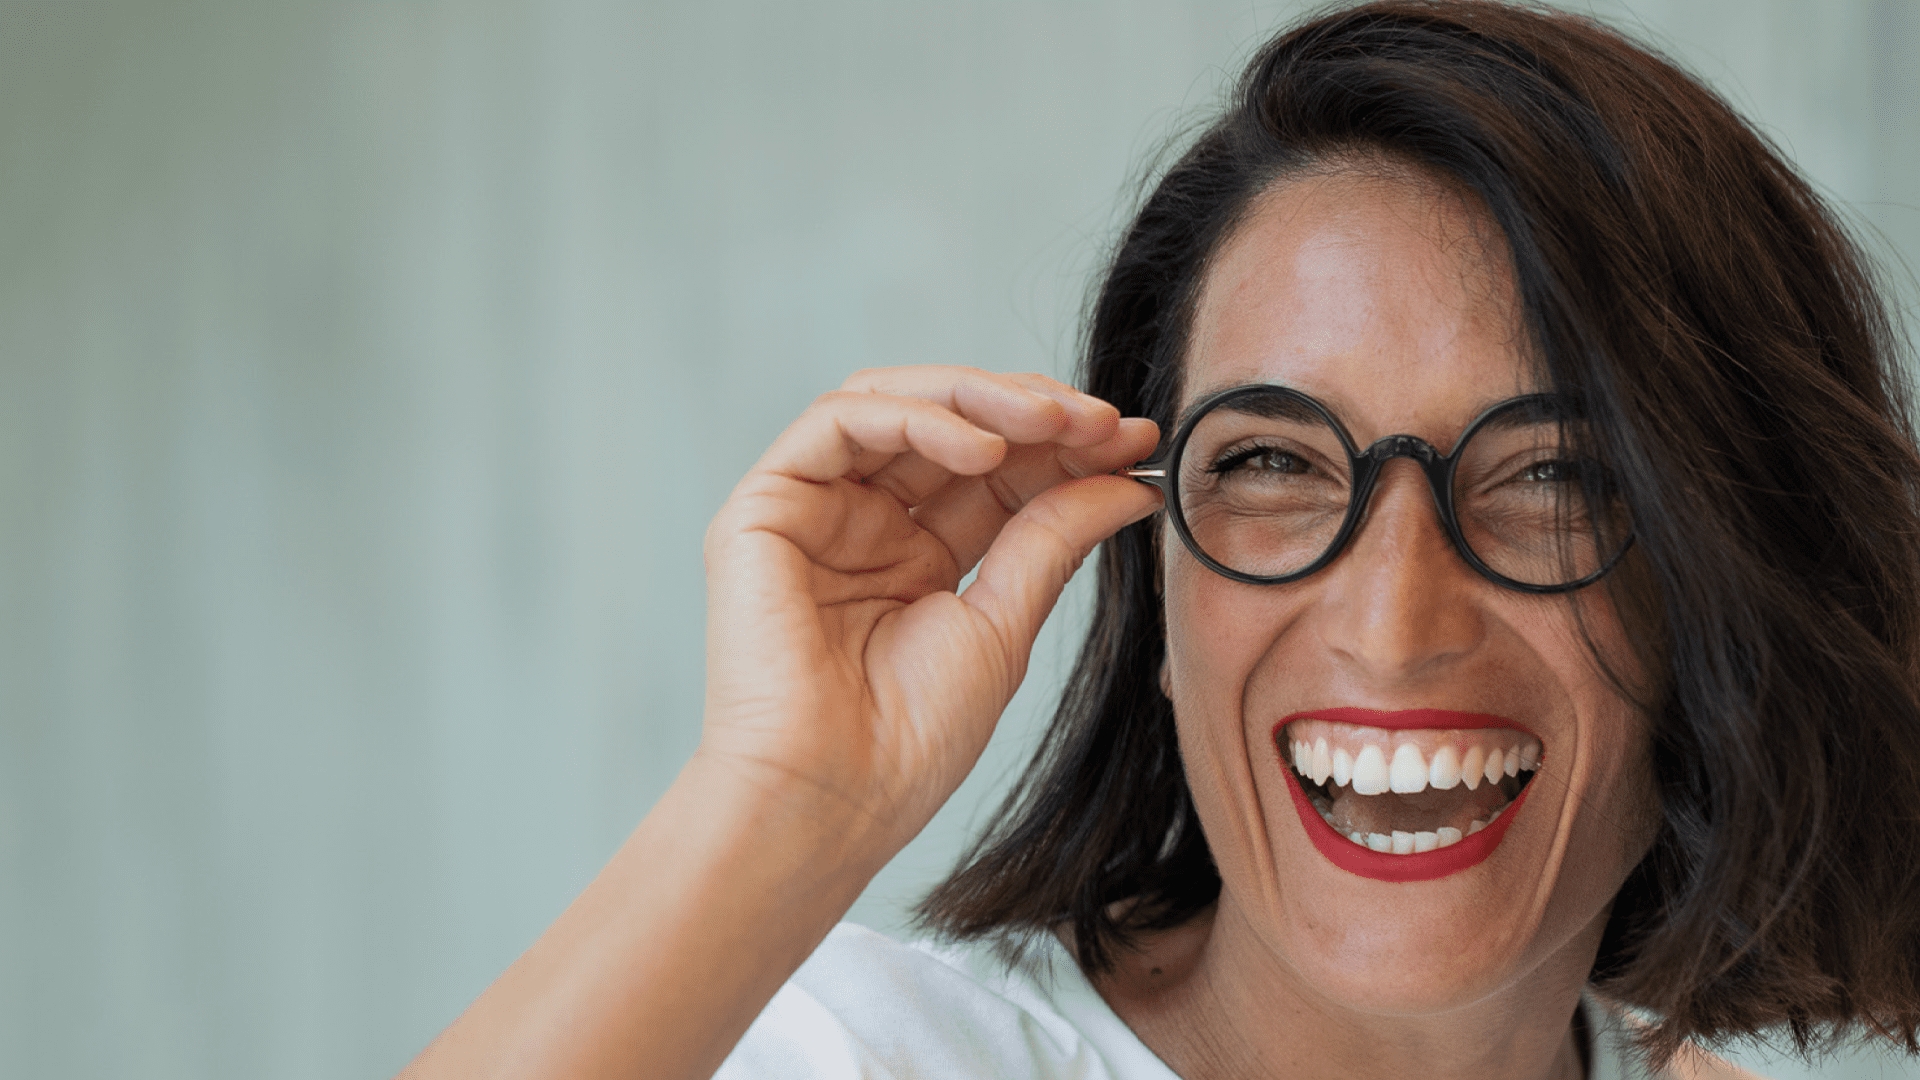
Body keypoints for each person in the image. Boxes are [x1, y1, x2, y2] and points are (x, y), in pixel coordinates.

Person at [398, 2, 1920, 1077]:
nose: (1393, 621)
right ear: (1154, 580)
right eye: (1272, 463)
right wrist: (782, 800)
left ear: (1735, 588)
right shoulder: (872, 1063)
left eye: (1555, 480)